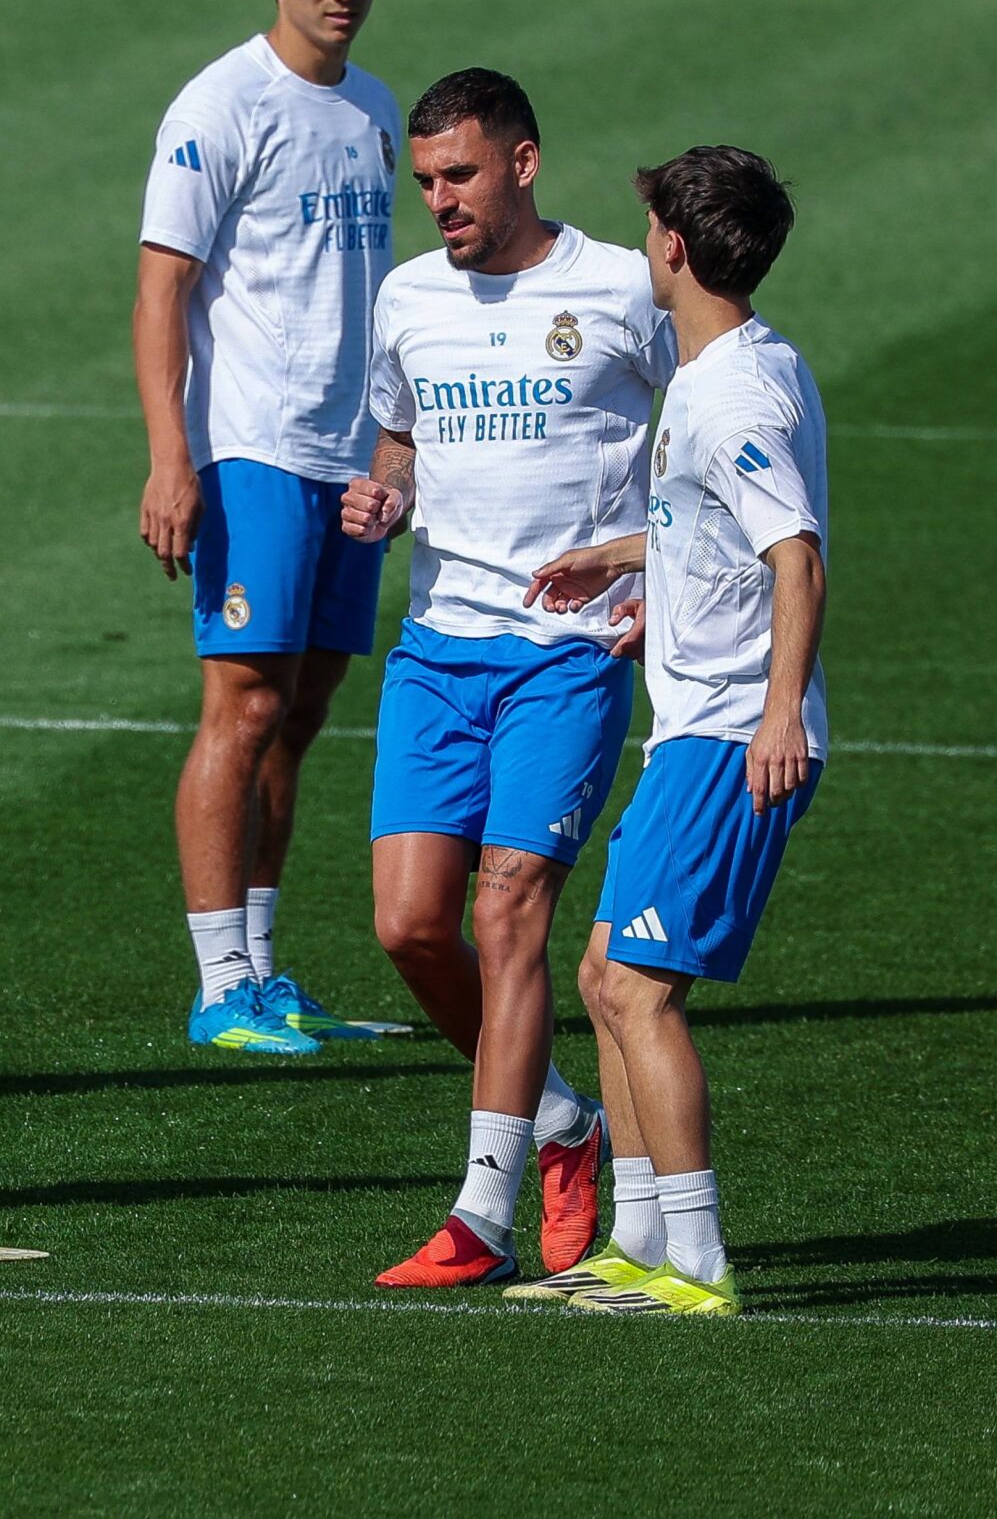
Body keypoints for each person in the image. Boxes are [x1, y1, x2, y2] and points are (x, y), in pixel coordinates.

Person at [340, 70, 673, 1287]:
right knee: (410, 926)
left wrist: (656, 572)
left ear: (522, 164)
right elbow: (399, 435)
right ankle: (562, 1121)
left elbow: (707, 430)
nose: (440, 200)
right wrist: (387, 495)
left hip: (564, 655)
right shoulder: (407, 297)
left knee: (509, 906)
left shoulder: (622, 288)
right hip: (437, 650)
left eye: (461, 175)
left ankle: (480, 1218)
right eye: (424, 180)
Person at [513, 146, 823, 1316]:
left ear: (676, 249)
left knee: (637, 993)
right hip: (697, 726)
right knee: (605, 978)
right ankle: (637, 1243)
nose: (643, 244)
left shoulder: (731, 395)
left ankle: (695, 1264)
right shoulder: (734, 366)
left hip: (730, 735)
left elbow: (794, 555)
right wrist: (622, 558)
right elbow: (717, 525)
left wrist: (778, 713)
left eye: (650, 229)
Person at [135, 0, 407, 1053]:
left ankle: (260, 965)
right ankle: (217, 987)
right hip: (250, 445)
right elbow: (161, 291)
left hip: (347, 458)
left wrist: (392, 447)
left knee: (299, 711)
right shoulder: (219, 106)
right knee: (243, 703)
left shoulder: (375, 111)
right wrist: (170, 458)